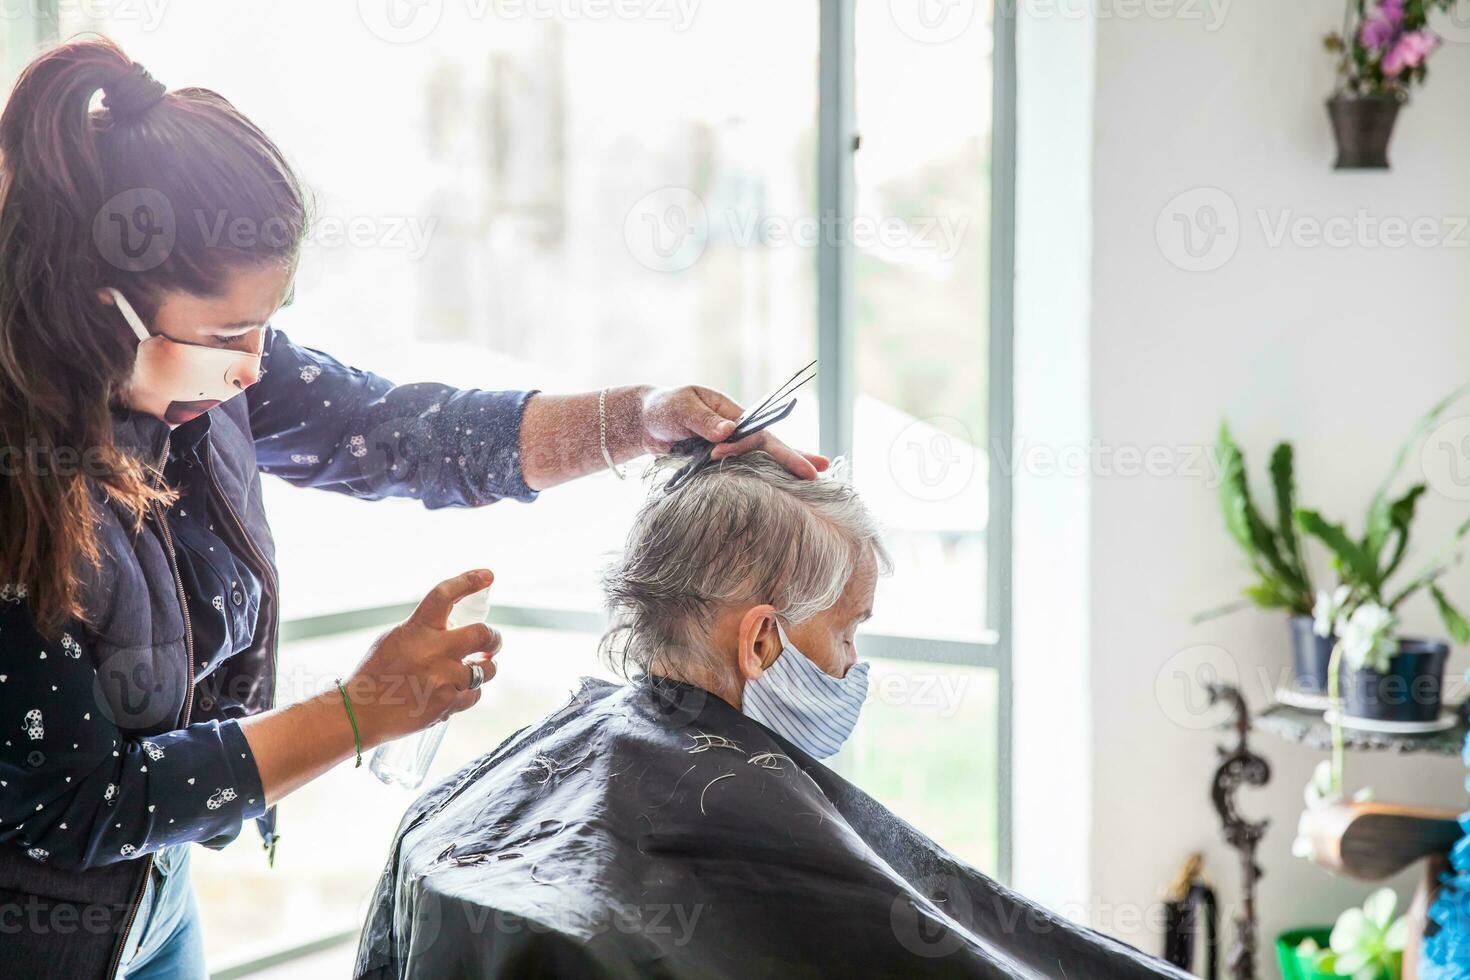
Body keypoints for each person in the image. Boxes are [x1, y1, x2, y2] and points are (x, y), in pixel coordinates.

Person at [0, 39, 826, 980]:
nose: (256, 366)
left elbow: (401, 431)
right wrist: (362, 711)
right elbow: (78, 804)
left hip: (159, 891)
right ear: (97, 306)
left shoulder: (208, 383)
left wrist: (637, 419)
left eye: (269, 323)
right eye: (228, 335)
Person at [355, 451, 1189, 979]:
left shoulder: (482, 793)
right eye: (849, 630)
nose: (854, 664)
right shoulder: (748, 836)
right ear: (760, 642)